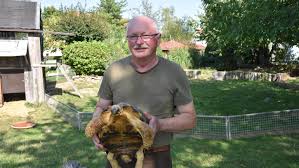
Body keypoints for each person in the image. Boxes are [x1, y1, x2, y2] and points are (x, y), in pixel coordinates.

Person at [91, 16, 196, 168]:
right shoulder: (113, 71)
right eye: (133, 36)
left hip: (157, 157)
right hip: (117, 156)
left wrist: (159, 125)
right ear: (127, 39)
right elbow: (101, 107)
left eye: (145, 35)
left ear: (158, 39)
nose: (139, 42)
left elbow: (189, 119)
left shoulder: (174, 72)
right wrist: (95, 125)